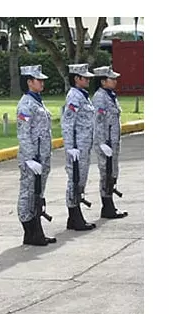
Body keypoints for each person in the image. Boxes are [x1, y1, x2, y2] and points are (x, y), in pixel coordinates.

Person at [16, 65, 57, 246]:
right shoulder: (26, 104)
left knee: (37, 194)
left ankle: (36, 231)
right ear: (29, 82)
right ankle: (30, 230)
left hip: (42, 157)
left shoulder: (37, 101)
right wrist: (30, 158)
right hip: (32, 159)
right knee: (27, 194)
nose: (42, 82)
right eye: (38, 80)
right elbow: (23, 133)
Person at [61, 63, 97, 231]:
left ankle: (74, 217)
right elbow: (68, 122)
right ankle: (75, 215)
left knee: (80, 180)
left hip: (84, 146)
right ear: (77, 79)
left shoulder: (83, 95)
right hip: (77, 147)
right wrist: (70, 146)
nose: (88, 79)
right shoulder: (74, 96)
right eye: (85, 77)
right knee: (74, 180)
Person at [92, 66, 128, 219]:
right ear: (103, 81)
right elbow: (98, 122)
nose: (115, 81)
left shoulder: (110, 95)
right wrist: (101, 143)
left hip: (113, 143)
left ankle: (110, 204)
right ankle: (107, 206)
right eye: (111, 79)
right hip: (105, 142)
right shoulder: (100, 98)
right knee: (106, 174)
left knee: (112, 173)